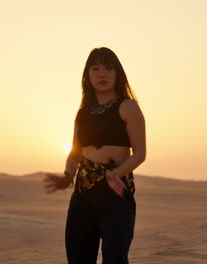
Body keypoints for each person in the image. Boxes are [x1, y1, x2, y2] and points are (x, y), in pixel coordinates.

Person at [44, 47, 146, 264]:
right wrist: (67, 175)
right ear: (87, 75)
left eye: (108, 68)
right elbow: (75, 153)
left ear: (117, 73)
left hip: (116, 194)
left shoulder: (128, 107)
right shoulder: (83, 113)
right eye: (96, 68)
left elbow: (140, 153)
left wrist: (117, 174)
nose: (102, 74)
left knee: (115, 259)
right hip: (83, 195)